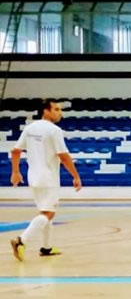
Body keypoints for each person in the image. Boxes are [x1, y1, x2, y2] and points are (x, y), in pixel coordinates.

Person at [9, 99, 82, 261]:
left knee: (45, 212)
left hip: (33, 176)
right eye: (56, 109)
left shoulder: (29, 128)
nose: (59, 112)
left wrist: (15, 172)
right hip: (48, 177)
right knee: (48, 213)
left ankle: (47, 247)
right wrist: (76, 176)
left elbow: (15, 151)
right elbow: (63, 156)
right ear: (46, 111)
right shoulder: (54, 130)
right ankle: (21, 241)